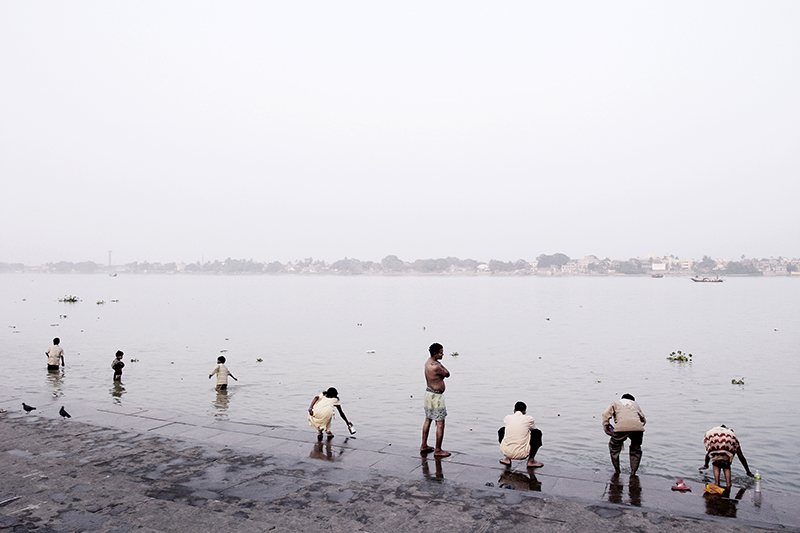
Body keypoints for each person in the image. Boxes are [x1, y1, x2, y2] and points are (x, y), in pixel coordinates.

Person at [601, 393, 646, 474]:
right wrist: (637, 426)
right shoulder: (635, 404)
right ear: (632, 400)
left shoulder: (615, 403)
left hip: (621, 428)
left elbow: (605, 415)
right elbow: (643, 419)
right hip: (638, 429)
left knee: (614, 447)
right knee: (636, 449)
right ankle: (633, 472)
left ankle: (617, 470)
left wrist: (606, 428)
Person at [421, 342, 451, 457]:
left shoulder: (427, 363)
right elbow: (447, 374)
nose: (443, 354)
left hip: (428, 394)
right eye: (441, 352)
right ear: (435, 353)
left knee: (428, 419)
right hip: (437, 397)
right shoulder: (437, 366)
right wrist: (442, 367)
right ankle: (438, 450)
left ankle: (424, 445)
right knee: (440, 423)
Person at [499, 401, 543, 468]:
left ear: (514, 410)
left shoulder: (507, 418)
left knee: (502, 430)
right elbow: (534, 429)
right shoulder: (529, 419)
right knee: (537, 433)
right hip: (523, 454)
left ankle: (507, 458)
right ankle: (531, 461)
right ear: (525, 411)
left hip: (506, 451)